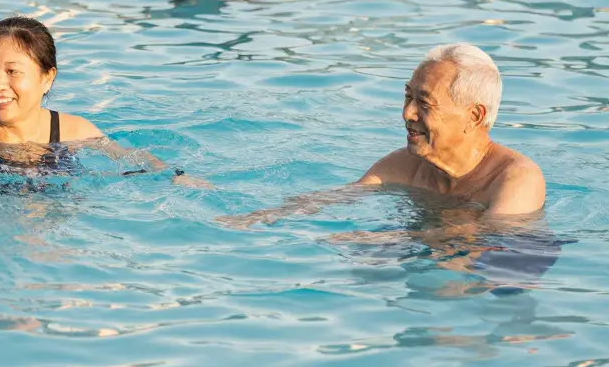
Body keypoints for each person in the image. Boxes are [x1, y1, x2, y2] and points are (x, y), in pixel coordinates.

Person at [222, 43, 546, 229]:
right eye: (408, 97)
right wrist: (257, 216)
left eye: (424, 102)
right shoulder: (406, 165)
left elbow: (493, 250)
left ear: (474, 116)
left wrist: (396, 241)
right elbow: (337, 198)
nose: (407, 113)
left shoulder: (516, 179)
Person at [0, 17, 200, 187]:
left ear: (47, 77)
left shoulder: (73, 130)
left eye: (13, 71)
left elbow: (134, 159)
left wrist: (178, 177)